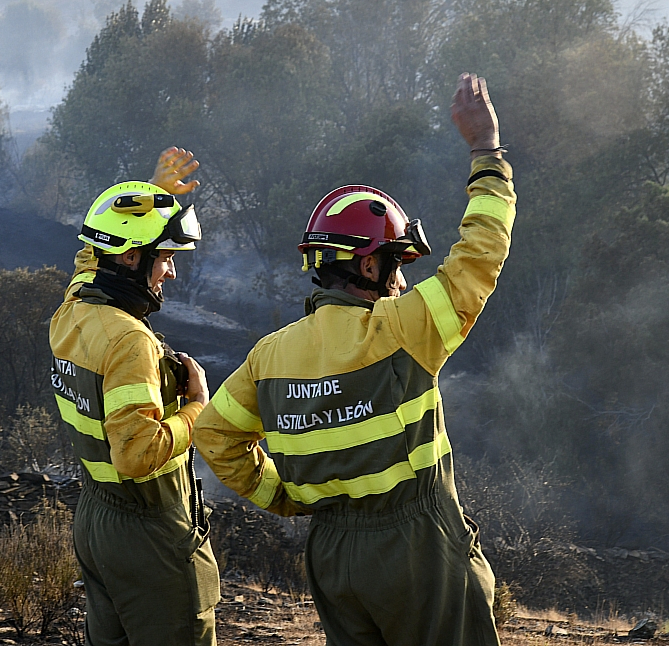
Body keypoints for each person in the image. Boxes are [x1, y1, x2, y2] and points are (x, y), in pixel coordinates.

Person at [193, 74, 515, 646]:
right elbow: (478, 258)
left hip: (333, 556)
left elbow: (215, 436)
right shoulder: (402, 330)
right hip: (415, 549)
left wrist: (286, 498)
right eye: (395, 262)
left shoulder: (270, 356)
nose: (402, 278)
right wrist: (486, 153)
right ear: (367, 268)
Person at [50, 147, 220, 646]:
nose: (170, 272)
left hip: (98, 521)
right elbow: (136, 453)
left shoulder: (72, 310)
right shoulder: (130, 341)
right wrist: (196, 409)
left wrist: (157, 198)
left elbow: (92, 256)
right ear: (131, 257)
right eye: (165, 257)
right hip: (150, 533)